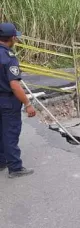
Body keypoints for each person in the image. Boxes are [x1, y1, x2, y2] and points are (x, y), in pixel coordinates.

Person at [0, 22, 36, 178]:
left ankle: (1, 162)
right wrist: (28, 104)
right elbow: (14, 85)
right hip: (8, 101)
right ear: (12, 38)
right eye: (16, 37)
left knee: (1, 133)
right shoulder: (9, 57)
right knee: (10, 134)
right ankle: (15, 168)